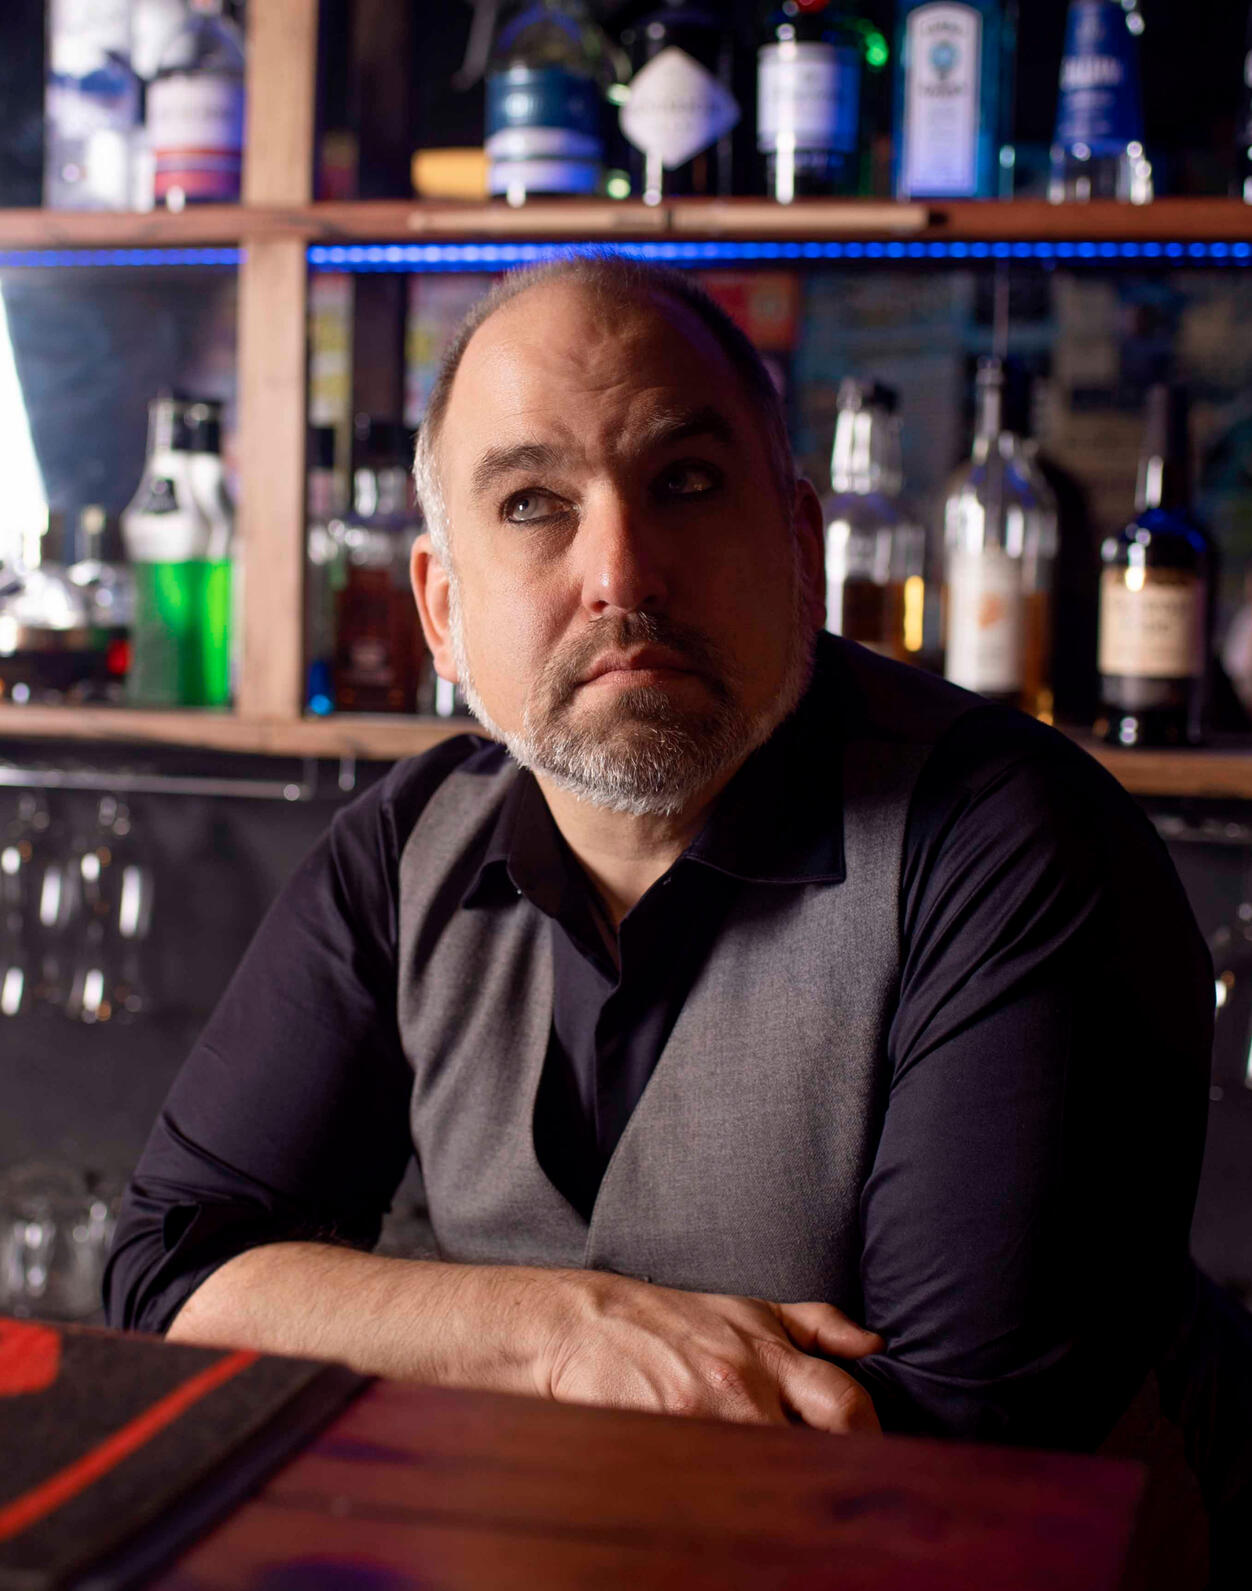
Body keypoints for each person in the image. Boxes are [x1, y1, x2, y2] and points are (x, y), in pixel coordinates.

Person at [106, 257, 1215, 1457]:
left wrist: (420, 1331)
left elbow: (957, 1451)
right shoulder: (402, 849)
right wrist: (560, 1331)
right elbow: (173, 1279)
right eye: (532, 503)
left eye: (684, 482)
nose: (621, 574)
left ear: (801, 548)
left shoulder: (1011, 845)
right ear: (442, 612)